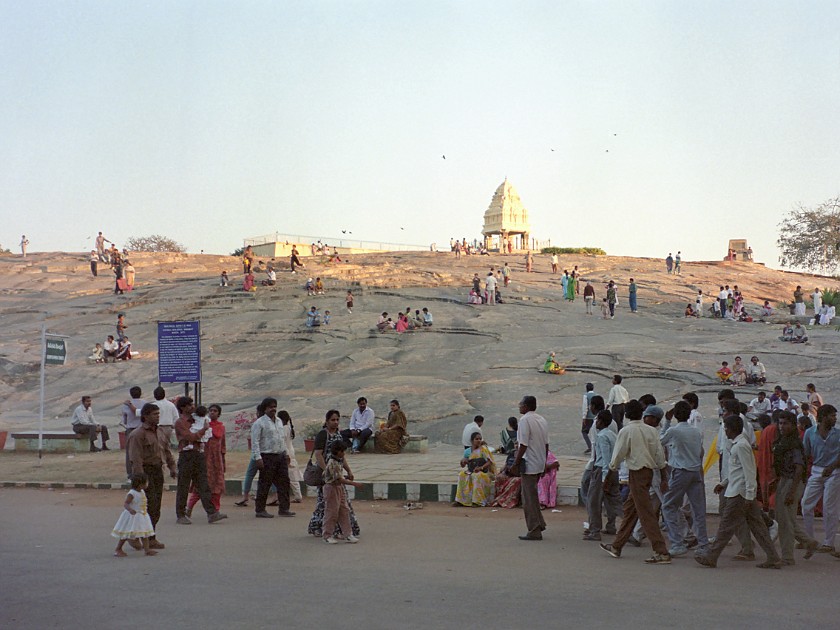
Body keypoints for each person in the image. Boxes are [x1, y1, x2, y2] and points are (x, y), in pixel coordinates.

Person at [695, 415, 782, 569]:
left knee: (726, 527)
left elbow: (749, 472)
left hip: (739, 494)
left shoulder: (741, 446)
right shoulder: (737, 445)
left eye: (726, 428)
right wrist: (723, 483)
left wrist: (749, 495)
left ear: (733, 429)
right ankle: (773, 557)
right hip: (739, 491)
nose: (725, 431)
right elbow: (737, 471)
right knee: (758, 527)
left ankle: (712, 556)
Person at [600, 400, 671, 564]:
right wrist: (663, 477)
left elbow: (617, 456)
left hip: (637, 473)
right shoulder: (651, 431)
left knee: (646, 514)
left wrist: (609, 476)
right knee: (631, 510)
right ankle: (617, 546)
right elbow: (660, 456)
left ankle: (661, 551)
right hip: (648, 473)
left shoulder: (627, 431)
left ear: (626, 414)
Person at [660, 401, 708, 557]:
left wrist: (666, 421)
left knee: (668, 505)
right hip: (695, 471)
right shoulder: (694, 431)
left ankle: (677, 542)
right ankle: (703, 544)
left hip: (681, 471)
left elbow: (660, 440)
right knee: (698, 510)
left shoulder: (674, 430)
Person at [771, 411, 819, 564]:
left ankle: (787, 556)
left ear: (793, 425)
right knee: (783, 517)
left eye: (785, 423)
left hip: (793, 481)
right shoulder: (783, 441)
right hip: (785, 479)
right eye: (780, 423)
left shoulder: (794, 444)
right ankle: (808, 542)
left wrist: (792, 492)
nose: (782, 426)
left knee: (785, 521)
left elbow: (799, 468)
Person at [127, 403, 176, 550]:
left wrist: (172, 467)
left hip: (157, 471)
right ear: (145, 416)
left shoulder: (160, 432)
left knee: (155, 507)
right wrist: (140, 480)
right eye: (154, 414)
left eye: (158, 414)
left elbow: (166, 451)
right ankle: (134, 536)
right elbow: (136, 458)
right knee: (144, 506)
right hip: (145, 473)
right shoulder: (138, 434)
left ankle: (151, 537)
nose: (157, 416)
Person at [174, 397, 227, 525]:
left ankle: (211, 513)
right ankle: (181, 515)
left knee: (204, 485)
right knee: (183, 486)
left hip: (199, 454)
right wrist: (203, 430)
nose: (193, 406)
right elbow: (191, 437)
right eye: (189, 405)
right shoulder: (180, 422)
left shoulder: (197, 419)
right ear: (183, 408)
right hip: (187, 455)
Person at [309, 410, 360, 538]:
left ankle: (342, 530)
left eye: (337, 419)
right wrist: (327, 470)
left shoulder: (338, 435)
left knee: (341, 503)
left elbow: (342, 456)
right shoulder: (323, 435)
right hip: (326, 476)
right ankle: (320, 528)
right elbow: (318, 454)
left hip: (337, 474)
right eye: (333, 420)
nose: (336, 422)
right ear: (327, 421)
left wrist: (348, 470)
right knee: (326, 503)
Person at [800, 404, 840, 553]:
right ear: (823, 417)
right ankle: (809, 539)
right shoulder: (810, 433)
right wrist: (803, 475)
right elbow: (805, 454)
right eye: (832, 416)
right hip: (817, 471)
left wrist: (831, 467)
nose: (835, 419)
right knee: (806, 505)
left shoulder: (838, 434)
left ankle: (829, 542)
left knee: (829, 507)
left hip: (835, 472)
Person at [511, 395, 549, 540]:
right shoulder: (542, 420)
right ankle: (539, 523)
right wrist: (544, 461)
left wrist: (515, 463)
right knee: (532, 496)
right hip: (539, 462)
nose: (519, 406)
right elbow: (546, 444)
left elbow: (523, 445)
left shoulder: (524, 420)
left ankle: (534, 529)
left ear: (526, 406)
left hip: (530, 464)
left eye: (521, 404)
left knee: (528, 498)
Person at [250, 397, 294, 519]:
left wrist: (285, 453)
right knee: (265, 483)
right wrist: (257, 458)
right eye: (270, 407)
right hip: (267, 456)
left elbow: (281, 438)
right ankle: (260, 509)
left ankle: (284, 508)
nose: (273, 409)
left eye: (274, 406)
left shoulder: (279, 421)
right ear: (265, 409)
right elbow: (255, 442)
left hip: (280, 455)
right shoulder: (259, 423)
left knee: (284, 482)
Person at [583, 410, 621, 540]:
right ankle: (626, 526)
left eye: (597, 420)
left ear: (602, 422)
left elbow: (605, 459)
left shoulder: (602, 436)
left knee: (593, 501)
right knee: (614, 501)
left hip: (602, 471)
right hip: (614, 470)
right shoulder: (612, 435)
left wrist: (605, 479)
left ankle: (595, 530)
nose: (596, 422)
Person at [187, 404, 226, 514]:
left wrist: (223, 461)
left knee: (217, 485)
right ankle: (189, 507)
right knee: (202, 485)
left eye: (215, 411)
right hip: (205, 458)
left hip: (217, 460)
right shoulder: (202, 425)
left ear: (219, 414)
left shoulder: (221, 427)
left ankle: (216, 510)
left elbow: (223, 446)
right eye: (211, 410)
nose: (212, 412)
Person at [322, 441, 363, 543]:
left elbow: (339, 477)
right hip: (332, 488)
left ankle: (348, 534)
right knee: (332, 512)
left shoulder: (338, 461)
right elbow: (338, 479)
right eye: (342, 451)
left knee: (344, 510)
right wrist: (354, 484)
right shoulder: (332, 462)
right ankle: (327, 535)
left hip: (339, 487)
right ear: (337, 451)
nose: (344, 453)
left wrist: (347, 475)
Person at [112, 473, 157, 557]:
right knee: (126, 533)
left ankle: (147, 550)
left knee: (144, 533)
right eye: (146, 483)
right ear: (140, 484)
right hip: (132, 516)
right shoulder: (132, 493)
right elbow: (126, 503)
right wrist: (130, 510)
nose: (147, 484)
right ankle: (118, 548)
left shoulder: (142, 492)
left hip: (142, 515)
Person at [454, 432, 496, 507]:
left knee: (477, 476)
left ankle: (477, 501)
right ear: (472, 440)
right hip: (471, 470)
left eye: (480, 439)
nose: (479, 440)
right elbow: (463, 465)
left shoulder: (484, 449)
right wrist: (462, 462)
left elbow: (490, 462)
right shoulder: (467, 451)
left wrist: (481, 467)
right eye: (476, 439)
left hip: (483, 472)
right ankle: (461, 500)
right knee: (462, 475)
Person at [279, 410, 303, 503]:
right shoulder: (288, 427)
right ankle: (297, 495)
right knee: (291, 475)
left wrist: (286, 455)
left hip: (287, 453)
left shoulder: (284, 428)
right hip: (290, 451)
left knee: (291, 476)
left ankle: (298, 496)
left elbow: (283, 442)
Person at [121, 386, 145, 477]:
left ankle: (130, 473)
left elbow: (124, 420)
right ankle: (142, 471)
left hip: (130, 430)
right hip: (142, 429)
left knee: (130, 452)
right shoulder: (145, 403)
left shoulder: (126, 405)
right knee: (142, 451)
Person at [581, 383, 596, 453]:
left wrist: (584, 417)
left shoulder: (586, 396)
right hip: (595, 416)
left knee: (584, 431)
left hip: (588, 417)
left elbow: (585, 407)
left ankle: (590, 446)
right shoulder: (596, 395)